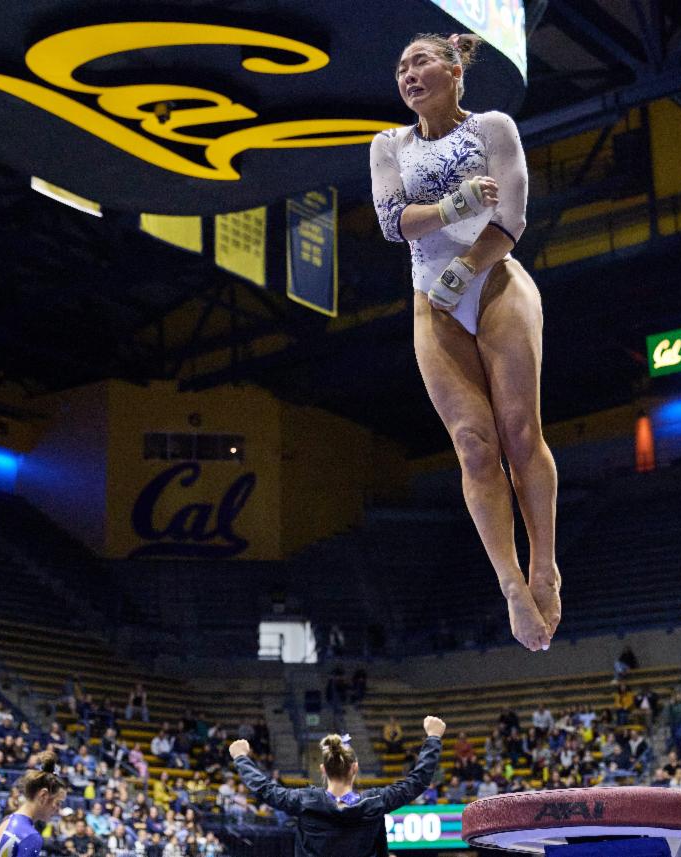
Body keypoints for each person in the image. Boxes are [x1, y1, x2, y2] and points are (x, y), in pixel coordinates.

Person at [370, 32, 560, 652]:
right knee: (475, 447)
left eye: (420, 61)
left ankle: (544, 565)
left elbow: (512, 218)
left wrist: (466, 268)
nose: (407, 74)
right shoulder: (388, 145)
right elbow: (393, 223)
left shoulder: (494, 128)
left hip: (495, 280)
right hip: (434, 303)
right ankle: (510, 583)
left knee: (520, 432)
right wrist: (453, 207)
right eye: (401, 67)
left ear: (454, 70)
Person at [230, 716, 446, 856]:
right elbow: (417, 781)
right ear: (355, 768)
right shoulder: (374, 802)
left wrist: (241, 758)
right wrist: (433, 738)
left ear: (323, 769)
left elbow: (264, 789)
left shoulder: (305, 801)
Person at [0, 751, 67, 857]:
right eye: (58, 803)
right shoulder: (30, 836)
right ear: (43, 796)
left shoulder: (7, 821)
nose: (58, 809)